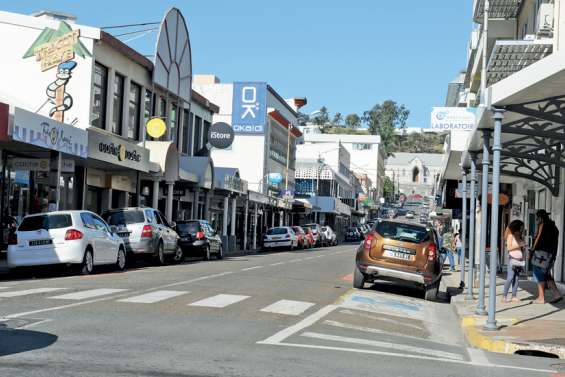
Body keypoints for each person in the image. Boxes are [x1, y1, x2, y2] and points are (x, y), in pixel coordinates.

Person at [530, 210, 562, 304]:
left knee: (540, 274)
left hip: (541, 255)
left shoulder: (542, 226)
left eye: (537, 218)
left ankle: (541, 297)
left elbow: (538, 240)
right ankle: (556, 294)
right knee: (546, 274)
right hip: (551, 254)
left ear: (540, 218)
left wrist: (532, 250)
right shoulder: (554, 227)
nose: (536, 220)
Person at [502, 220, 526, 303]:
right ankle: (504, 296)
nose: (523, 228)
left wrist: (523, 246)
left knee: (516, 278)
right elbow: (509, 248)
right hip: (512, 259)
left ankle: (514, 296)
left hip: (519, 260)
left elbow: (519, 247)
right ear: (517, 227)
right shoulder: (510, 236)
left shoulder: (519, 236)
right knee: (510, 277)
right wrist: (520, 245)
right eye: (522, 226)